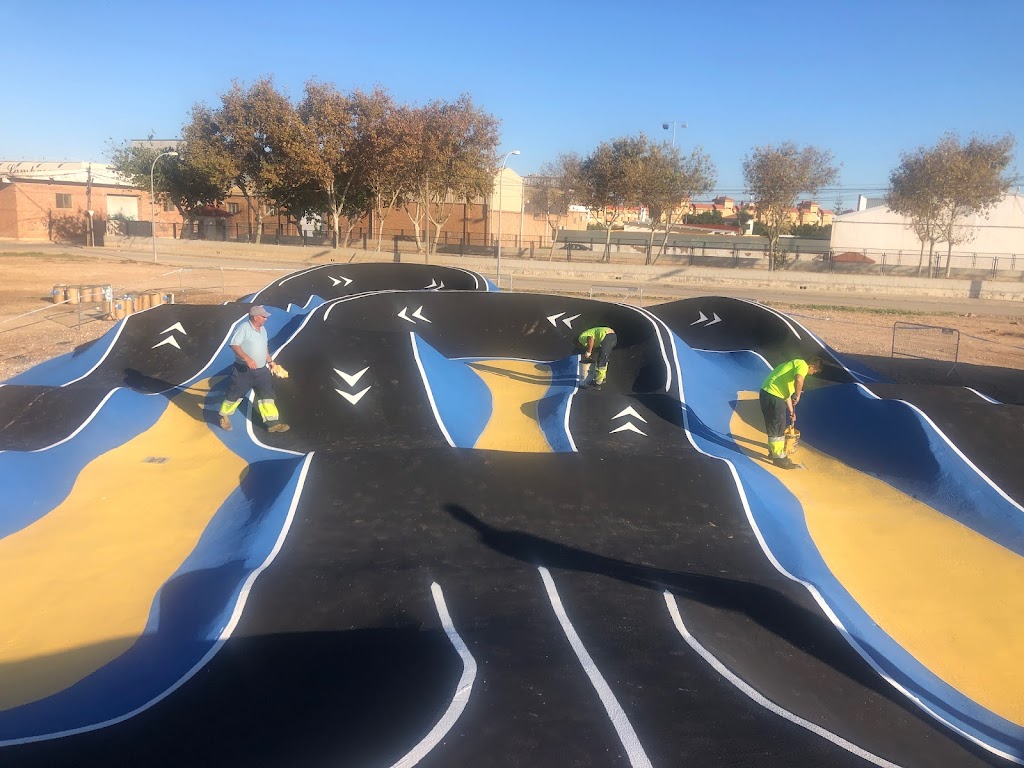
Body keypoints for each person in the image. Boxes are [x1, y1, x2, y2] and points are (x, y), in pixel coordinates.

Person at [218, 305, 289, 433]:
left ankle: (272, 423)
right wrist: (247, 358)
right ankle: (224, 416)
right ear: (255, 317)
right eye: (263, 317)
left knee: (267, 396)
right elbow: (234, 344)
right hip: (243, 371)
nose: (266, 319)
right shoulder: (244, 328)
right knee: (234, 395)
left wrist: (271, 362)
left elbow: (264, 347)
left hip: (262, 371)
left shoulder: (263, 330)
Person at [759, 355, 822, 469]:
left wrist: (792, 412)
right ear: (811, 366)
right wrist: (798, 395)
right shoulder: (802, 365)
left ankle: (773, 452)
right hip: (774, 396)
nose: (812, 374)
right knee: (778, 427)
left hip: (766, 394)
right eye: (815, 371)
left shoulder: (790, 366)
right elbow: (799, 379)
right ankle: (779, 459)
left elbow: (786, 395)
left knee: (773, 425)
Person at [576, 326, 617, 390]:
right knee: (604, 358)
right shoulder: (590, 336)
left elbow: (591, 339)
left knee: (601, 361)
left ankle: (597, 383)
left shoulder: (581, 338)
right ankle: (602, 378)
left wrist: (588, 352)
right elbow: (593, 346)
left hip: (606, 336)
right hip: (612, 336)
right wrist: (592, 355)